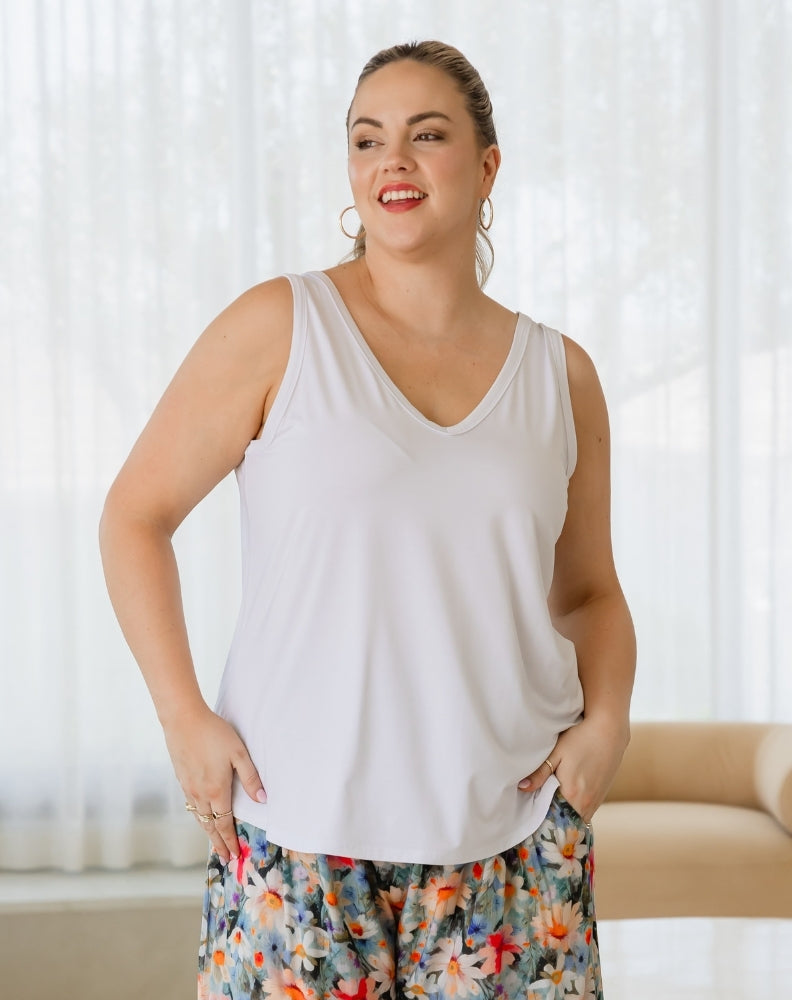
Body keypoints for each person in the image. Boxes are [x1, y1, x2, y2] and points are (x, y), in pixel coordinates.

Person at [100, 39, 635, 1000]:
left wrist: (610, 724)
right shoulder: (278, 326)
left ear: (486, 167)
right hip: (295, 837)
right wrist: (183, 717)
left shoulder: (563, 378)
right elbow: (134, 517)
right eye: (367, 138)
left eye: (426, 135)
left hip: (512, 850)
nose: (393, 160)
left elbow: (590, 591)